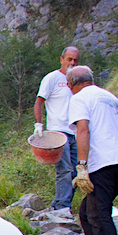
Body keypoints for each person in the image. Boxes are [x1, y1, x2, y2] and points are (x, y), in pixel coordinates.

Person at [65, 65, 118, 235]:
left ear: (71, 85)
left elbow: (83, 131)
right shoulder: (112, 98)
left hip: (102, 161)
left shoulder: (79, 98)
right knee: (87, 212)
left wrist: (82, 165)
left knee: (99, 213)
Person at [34, 44, 82, 211]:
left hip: (76, 131)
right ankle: (62, 206)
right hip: (58, 131)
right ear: (62, 59)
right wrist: (39, 124)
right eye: (69, 59)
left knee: (77, 172)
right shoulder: (52, 78)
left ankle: (61, 203)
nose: (72, 63)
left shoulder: (78, 81)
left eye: (76, 60)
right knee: (65, 169)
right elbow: (39, 101)